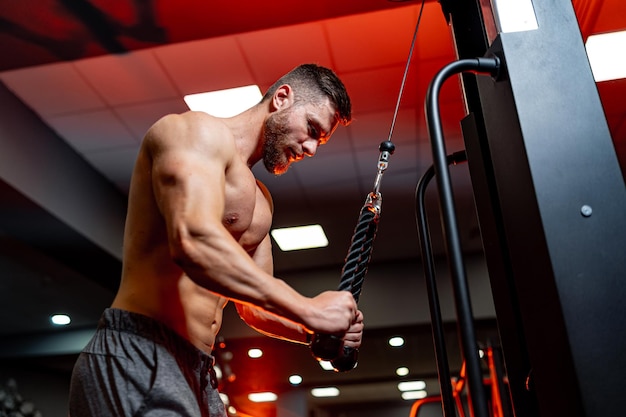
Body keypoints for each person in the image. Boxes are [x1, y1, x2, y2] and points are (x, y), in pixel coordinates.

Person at [69, 63, 364, 417]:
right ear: (282, 98)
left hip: (199, 369)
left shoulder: (261, 202)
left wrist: (314, 332)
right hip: (140, 348)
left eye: (321, 139)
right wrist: (309, 308)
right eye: (312, 129)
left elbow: (255, 307)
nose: (312, 148)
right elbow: (192, 239)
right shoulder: (195, 132)